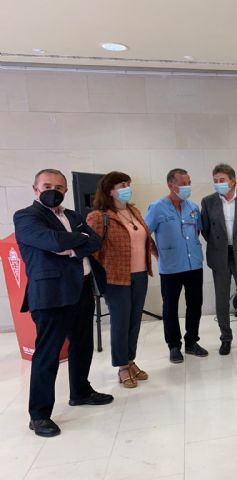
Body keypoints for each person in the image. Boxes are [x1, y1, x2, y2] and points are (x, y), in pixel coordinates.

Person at [14, 169, 113, 437]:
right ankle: (39, 415)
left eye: (59, 186)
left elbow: (94, 241)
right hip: (51, 295)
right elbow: (50, 240)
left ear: (66, 190)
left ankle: (80, 391)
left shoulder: (72, 215)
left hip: (81, 289)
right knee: (48, 354)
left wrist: (71, 246)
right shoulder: (26, 216)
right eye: (47, 185)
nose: (53, 190)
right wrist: (77, 241)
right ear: (35, 189)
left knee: (83, 345)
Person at [87, 172, 154, 388]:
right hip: (116, 278)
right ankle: (122, 366)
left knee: (135, 320)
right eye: (122, 184)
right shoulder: (98, 216)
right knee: (120, 322)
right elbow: (91, 250)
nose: (127, 187)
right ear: (109, 190)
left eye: (128, 184)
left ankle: (131, 359)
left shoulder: (133, 210)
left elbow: (143, 238)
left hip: (140, 274)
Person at [145, 168, 208, 364]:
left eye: (189, 182)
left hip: (194, 265)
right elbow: (145, 235)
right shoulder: (157, 207)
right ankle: (174, 345)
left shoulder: (193, 208)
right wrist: (158, 254)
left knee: (195, 305)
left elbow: (196, 233)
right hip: (171, 268)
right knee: (170, 308)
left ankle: (192, 342)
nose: (187, 187)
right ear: (171, 185)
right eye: (183, 183)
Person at [201, 163, 237, 355]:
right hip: (220, 254)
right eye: (215, 181)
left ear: (233, 181)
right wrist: (220, 246)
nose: (218, 184)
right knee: (221, 299)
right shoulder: (208, 202)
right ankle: (225, 338)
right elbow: (206, 230)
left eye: (222, 180)